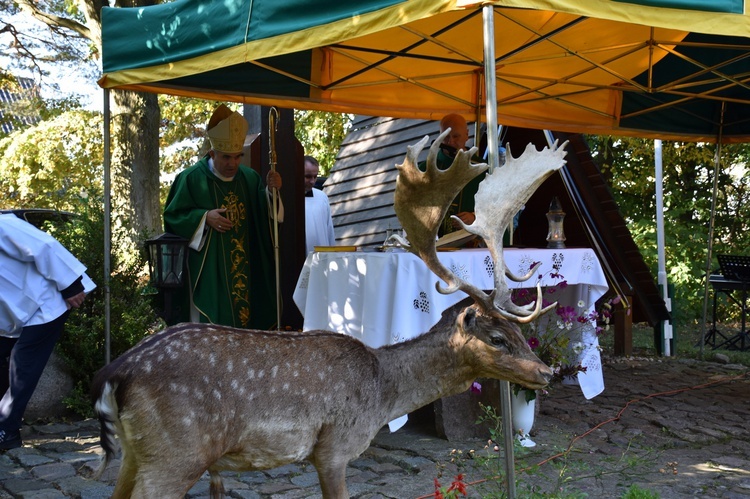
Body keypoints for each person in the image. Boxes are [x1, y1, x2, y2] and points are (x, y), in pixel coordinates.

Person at [163, 104, 283, 330]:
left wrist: (271, 193)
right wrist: (204, 218)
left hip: (245, 271)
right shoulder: (190, 179)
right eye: (226, 157)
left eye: (238, 157)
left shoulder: (249, 178)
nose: (233, 164)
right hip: (209, 272)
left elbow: (263, 217)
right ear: (212, 153)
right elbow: (173, 216)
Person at [0, 214, 95, 450]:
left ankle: (7, 431)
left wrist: (70, 284)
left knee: (23, 363)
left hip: (47, 301)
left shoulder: (2, 224)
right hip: (15, 311)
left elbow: (43, 245)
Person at [420, 113, 486, 237]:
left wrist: (474, 217)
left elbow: (495, 205)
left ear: (466, 135)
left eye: (456, 136)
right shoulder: (426, 169)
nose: (450, 142)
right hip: (435, 244)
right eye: (445, 137)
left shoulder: (481, 168)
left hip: (473, 243)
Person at [303, 155, 336, 253]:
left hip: (322, 259)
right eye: (308, 176)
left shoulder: (322, 197)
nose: (312, 181)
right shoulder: (289, 199)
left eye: (315, 176)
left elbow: (329, 230)